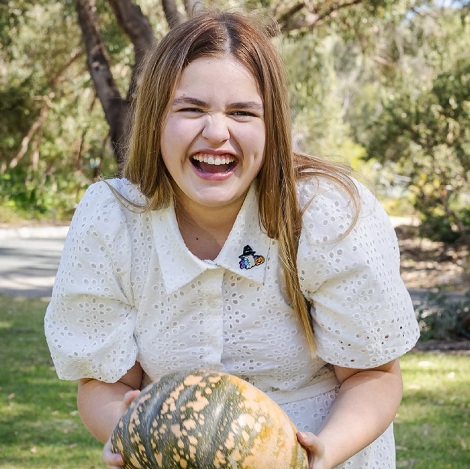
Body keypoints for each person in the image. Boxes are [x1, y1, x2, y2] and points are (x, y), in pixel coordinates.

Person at [45, 10, 420, 469]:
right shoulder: (111, 220)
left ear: (272, 124)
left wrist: (321, 454)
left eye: (242, 112)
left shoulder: (324, 212)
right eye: (191, 108)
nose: (217, 132)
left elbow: (374, 374)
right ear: (156, 119)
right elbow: (105, 384)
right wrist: (129, 432)